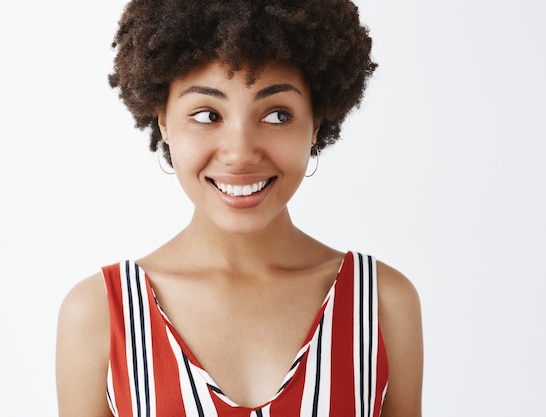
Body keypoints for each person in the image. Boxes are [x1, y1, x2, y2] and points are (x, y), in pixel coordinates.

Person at [55, 0, 423, 416]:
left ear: (316, 122)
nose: (240, 153)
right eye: (208, 114)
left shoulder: (383, 306)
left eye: (278, 114)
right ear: (163, 120)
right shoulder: (101, 316)